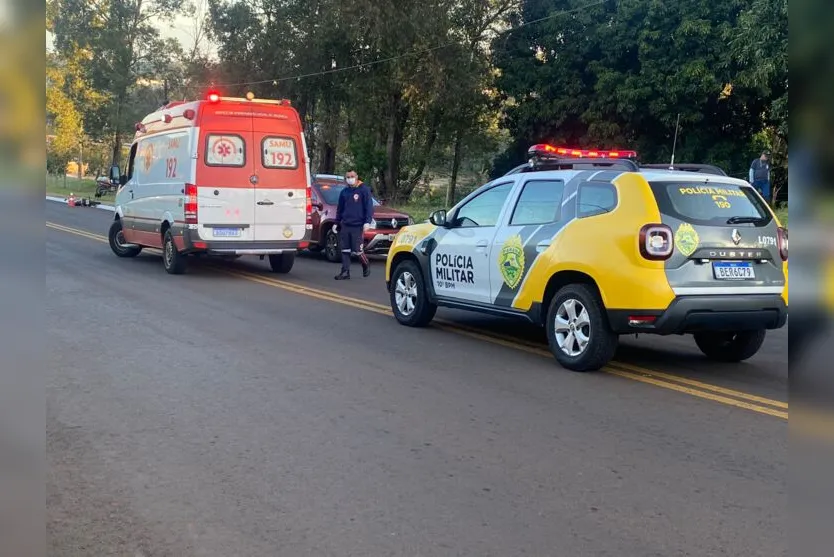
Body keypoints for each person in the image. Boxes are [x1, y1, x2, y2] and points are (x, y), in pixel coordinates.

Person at [333, 170, 373, 280]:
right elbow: (340, 209)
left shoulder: (364, 190)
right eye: (348, 177)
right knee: (345, 249)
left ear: (356, 176)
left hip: (358, 225)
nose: (350, 178)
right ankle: (345, 272)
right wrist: (337, 222)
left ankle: (365, 264)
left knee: (358, 250)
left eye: (352, 176)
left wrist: (367, 221)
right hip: (346, 224)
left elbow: (369, 207)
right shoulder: (344, 192)